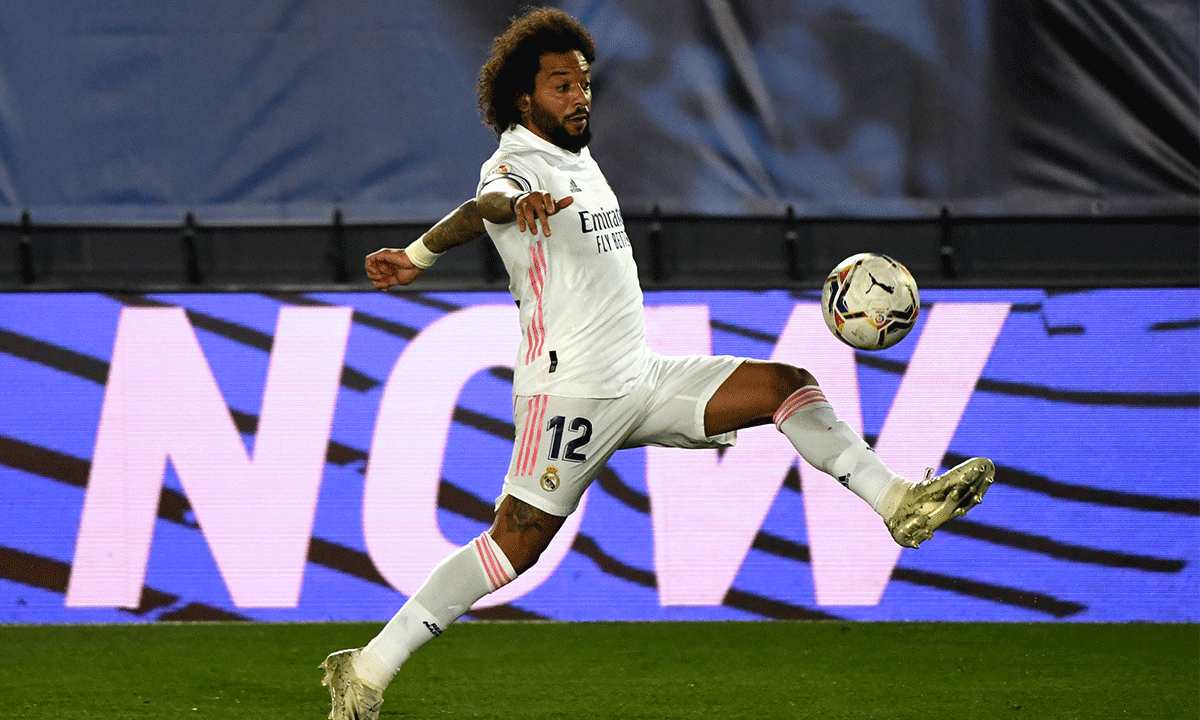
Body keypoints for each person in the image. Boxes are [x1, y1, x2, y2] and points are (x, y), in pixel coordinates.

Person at [321, 8, 994, 719]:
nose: (579, 96)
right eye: (560, 86)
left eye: (583, 82)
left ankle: (898, 504)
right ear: (523, 100)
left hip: (639, 378)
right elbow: (486, 202)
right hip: (570, 395)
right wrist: (431, 250)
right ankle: (365, 670)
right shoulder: (515, 163)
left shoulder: (577, 155)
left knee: (787, 386)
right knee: (516, 545)